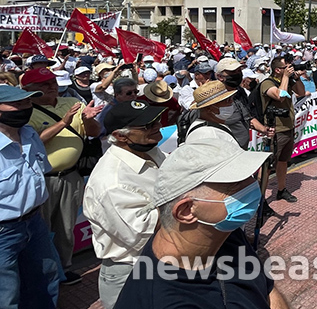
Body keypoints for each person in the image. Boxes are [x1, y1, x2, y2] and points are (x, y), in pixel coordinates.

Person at [113, 138, 288, 309]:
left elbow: (266, 290)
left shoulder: (223, 232)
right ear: (187, 211)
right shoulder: (167, 300)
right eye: (234, 185)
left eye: (249, 177)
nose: (252, 185)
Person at [21, 67, 103, 285]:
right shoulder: (25, 112)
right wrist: (64, 123)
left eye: (53, 82)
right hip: (43, 179)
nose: (52, 87)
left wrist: (86, 120)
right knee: (43, 229)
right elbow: (34, 142)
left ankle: (64, 269)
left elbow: (94, 132)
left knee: (66, 227)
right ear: (28, 90)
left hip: (70, 176)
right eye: (44, 84)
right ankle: (44, 274)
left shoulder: (72, 104)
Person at [82, 101, 167, 309]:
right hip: (131, 271)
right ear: (121, 136)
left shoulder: (150, 151)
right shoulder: (112, 182)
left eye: (157, 120)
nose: (157, 126)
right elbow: (140, 233)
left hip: (159, 264)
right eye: (147, 125)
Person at [0, 85, 61, 308]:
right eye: (17, 104)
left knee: (45, 279)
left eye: (27, 103)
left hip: (35, 223)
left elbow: (39, 172)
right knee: (6, 293)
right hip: (3, 232)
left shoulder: (30, 134)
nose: (25, 108)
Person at [260, 56, 305, 202]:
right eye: (287, 67)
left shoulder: (285, 81)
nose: (290, 69)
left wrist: (296, 78)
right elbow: (280, 96)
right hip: (275, 130)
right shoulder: (267, 83)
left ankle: (281, 189)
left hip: (288, 128)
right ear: (278, 70)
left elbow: (301, 93)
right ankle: (260, 199)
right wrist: (286, 77)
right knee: (267, 166)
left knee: (283, 161)